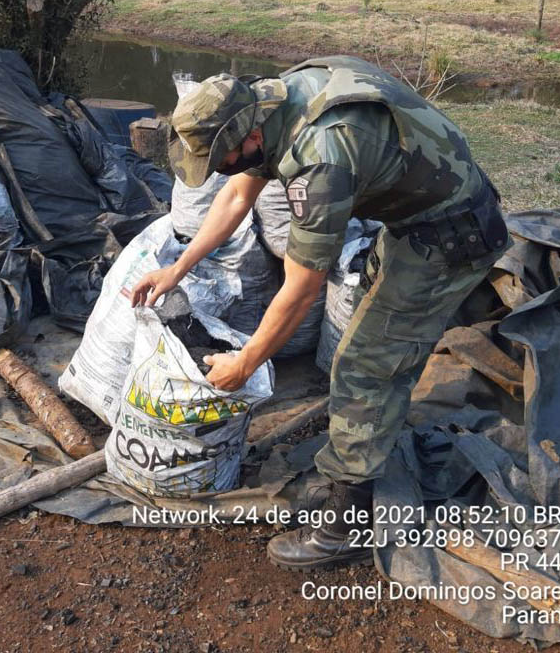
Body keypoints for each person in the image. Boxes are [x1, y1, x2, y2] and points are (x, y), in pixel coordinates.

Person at [130, 56, 509, 570]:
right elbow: (237, 195)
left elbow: (302, 286)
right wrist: (176, 269)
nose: (221, 170)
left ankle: (346, 524)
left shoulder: (322, 155)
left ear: (248, 138)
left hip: (449, 233)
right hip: (415, 215)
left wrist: (246, 362)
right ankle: (371, 438)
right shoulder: (268, 103)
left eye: (220, 158)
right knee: (374, 341)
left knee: (363, 366)